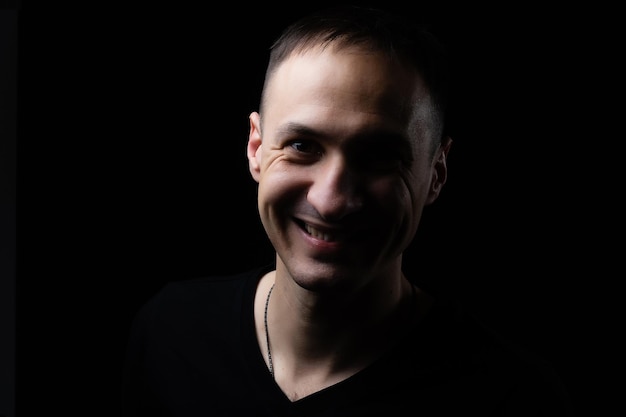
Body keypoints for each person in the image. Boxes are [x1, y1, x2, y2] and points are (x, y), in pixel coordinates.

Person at [121, 5, 574, 416]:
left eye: (378, 156)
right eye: (302, 146)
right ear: (256, 148)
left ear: (436, 172)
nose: (331, 200)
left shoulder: (511, 399)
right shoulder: (168, 333)